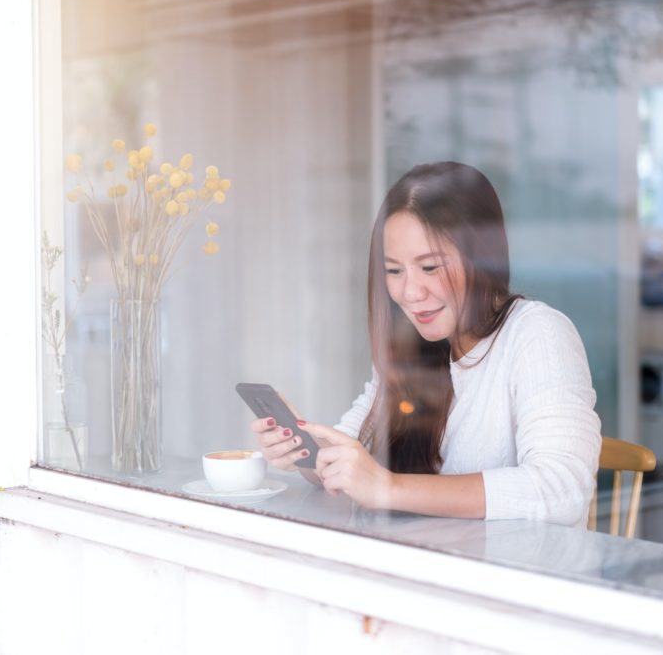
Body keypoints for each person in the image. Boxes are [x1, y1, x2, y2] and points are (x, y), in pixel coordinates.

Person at [252, 162, 601, 527]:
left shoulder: (537, 335)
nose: (410, 293)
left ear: (483, 259)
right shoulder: (411, 347)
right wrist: (304, 451)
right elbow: (353, 455)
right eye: (394, 271)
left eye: (430, 267)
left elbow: (563, 492)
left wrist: (388, 487)